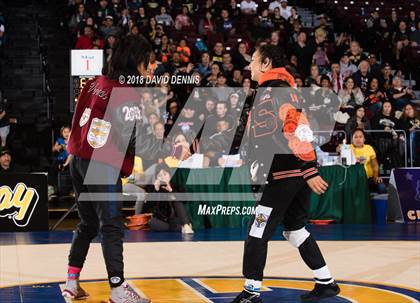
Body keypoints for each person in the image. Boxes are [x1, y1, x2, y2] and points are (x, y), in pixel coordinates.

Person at [231, 44, 339, 303]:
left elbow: (297, 128)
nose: (249, 66)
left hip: (285, 175)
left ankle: (251, 291)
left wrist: (309, 168)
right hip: (291, 174)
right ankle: (326, 282)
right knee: (294, 228)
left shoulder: (276, 92)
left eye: (253, 61)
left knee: (257, 231)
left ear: (266, 63)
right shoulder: (271, 92)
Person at [62, 35, 154, 303]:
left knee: (88, 223)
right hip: (102, 164)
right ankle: (117, 288)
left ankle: (71, 282)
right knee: (112, 225)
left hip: (79, 160)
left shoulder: (94, 83)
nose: (151, 67)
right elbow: (135, 138)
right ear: (135, 61)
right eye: (147, 62)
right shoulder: (126, 93)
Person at [339, 129, 386, 193]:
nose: (358, 139)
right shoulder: (348, 148)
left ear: (364, 139)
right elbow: (338, 149)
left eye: (360, 137)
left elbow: (375, 165)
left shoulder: (369, 148)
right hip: (353, 180)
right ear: (352, 139)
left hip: (368, 179)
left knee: (382, 187)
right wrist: (340, 148)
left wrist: (376, 177)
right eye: (355, 137)